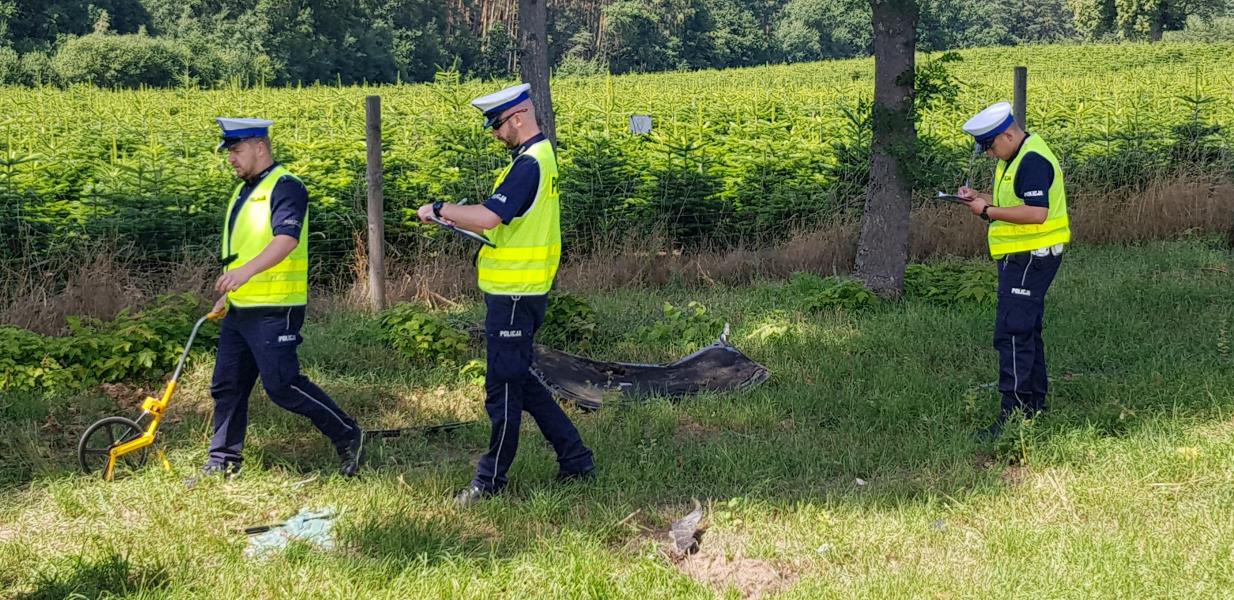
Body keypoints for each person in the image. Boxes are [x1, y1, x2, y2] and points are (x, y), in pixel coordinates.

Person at [417, 84, 594, 506]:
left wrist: (440, 209)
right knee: (522, 381)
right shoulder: (535, 158)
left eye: (497, 125)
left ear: (517, 118)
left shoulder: (529, 165)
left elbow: (490, 215)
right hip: (517, 293)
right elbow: (498, 222)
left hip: (516, 296)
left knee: (503, 390)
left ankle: (489, 481)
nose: (495, 134)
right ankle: (576, 459)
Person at [196, 117, 363, 483]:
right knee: (227, 385)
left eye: (237, 151)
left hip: (275, 309)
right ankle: (222, 461)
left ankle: (347, 433)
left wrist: (244, 274)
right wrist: (228, 293)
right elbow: (243, 250)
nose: (231, 159)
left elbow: (284, 241)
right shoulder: (246, 189)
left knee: (283, 386)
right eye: (229, 153)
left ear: (260, 147)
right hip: (241, 308)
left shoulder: (285, 186)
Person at [957, 102, 1071, 438]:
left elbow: (1037, 213)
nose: (990, 154)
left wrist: (987, 210)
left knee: (1012, 333)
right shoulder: (1019, 154)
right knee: (1027, 330)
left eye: (991, 146)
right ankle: (1034, 406)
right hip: (1024, 256)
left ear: (1008, 133)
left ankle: (1013, 418)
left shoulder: (1032, 160)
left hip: (1030, 256)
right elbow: (1018, 199)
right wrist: (980, 196)